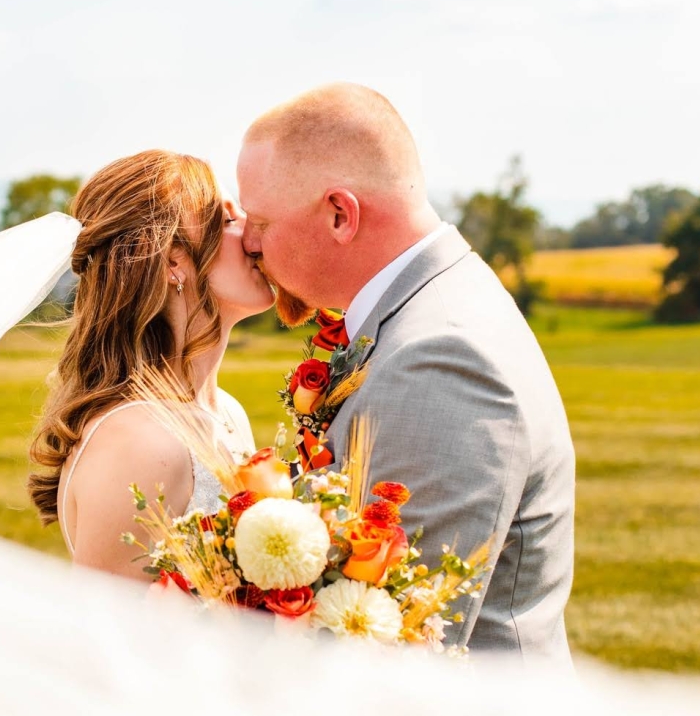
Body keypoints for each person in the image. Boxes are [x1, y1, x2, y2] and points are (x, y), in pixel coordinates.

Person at [237, 83, 576, 665]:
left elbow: (401, 638)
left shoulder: (440, 358)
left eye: (261, 221)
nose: (247, 241)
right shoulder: (427, 311)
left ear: (340, 214)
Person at [27, 149, 274, 576]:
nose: (255, 236)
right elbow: (108, 636)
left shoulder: (226, 411)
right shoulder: (141, 444)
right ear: (172, 261)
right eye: (229, 221)